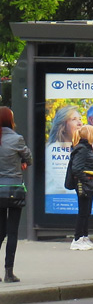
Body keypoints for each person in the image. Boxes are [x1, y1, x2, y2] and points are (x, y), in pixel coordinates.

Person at [0, 107, 32, 283]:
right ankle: (9, 273)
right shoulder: (16, 139)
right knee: (12, 232)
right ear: (10, 120)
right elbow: (29, 158)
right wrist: (22, 163)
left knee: (0, 232)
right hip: (13, 190)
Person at [67, 125, 93, 251]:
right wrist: (86, 179)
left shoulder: (86, 147)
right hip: (83, 184)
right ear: (89, 135)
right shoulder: (82, 149)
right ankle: (77, 239)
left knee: (86, 211)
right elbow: (76, 168)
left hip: (86, 183)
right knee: (83, 211)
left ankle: (84, 237)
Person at [45, 105, 82, 195]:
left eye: (80, 119)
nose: (80, 123)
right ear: (63, 125)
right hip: (61, 201)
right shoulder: (52, 150)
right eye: (74, 119)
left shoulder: (82, 148)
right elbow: (61, 186)